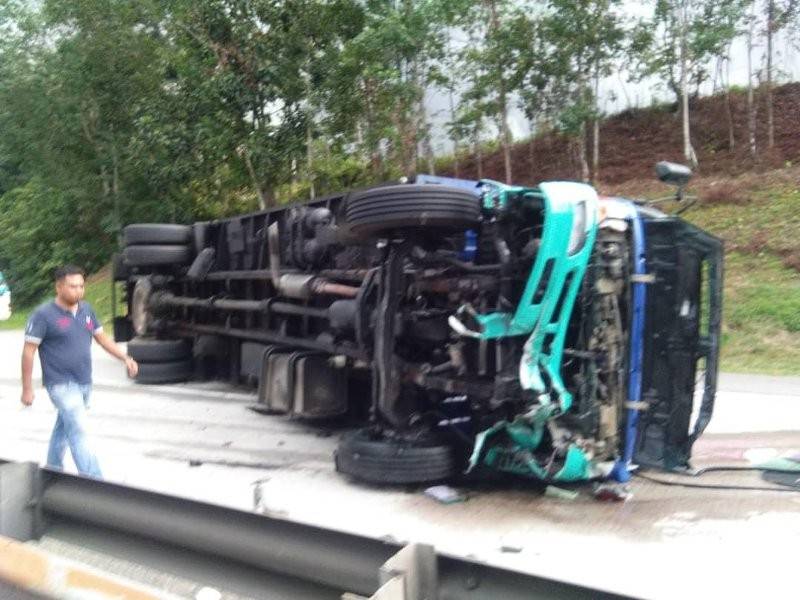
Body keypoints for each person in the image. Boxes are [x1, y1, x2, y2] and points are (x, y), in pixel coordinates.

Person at [20, 265, 138, 478]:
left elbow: (102, 339)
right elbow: (28, 352)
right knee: (79, 430)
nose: (78, 291)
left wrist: (125, 358)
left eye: (81, 286)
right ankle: (95, 480)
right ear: (59, 287)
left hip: (83, 381)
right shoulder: (43, 315)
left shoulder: (86, 311)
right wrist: (27, 389)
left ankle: (52, 469)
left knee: (65, 427)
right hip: (60, 384)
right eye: (72, 286)